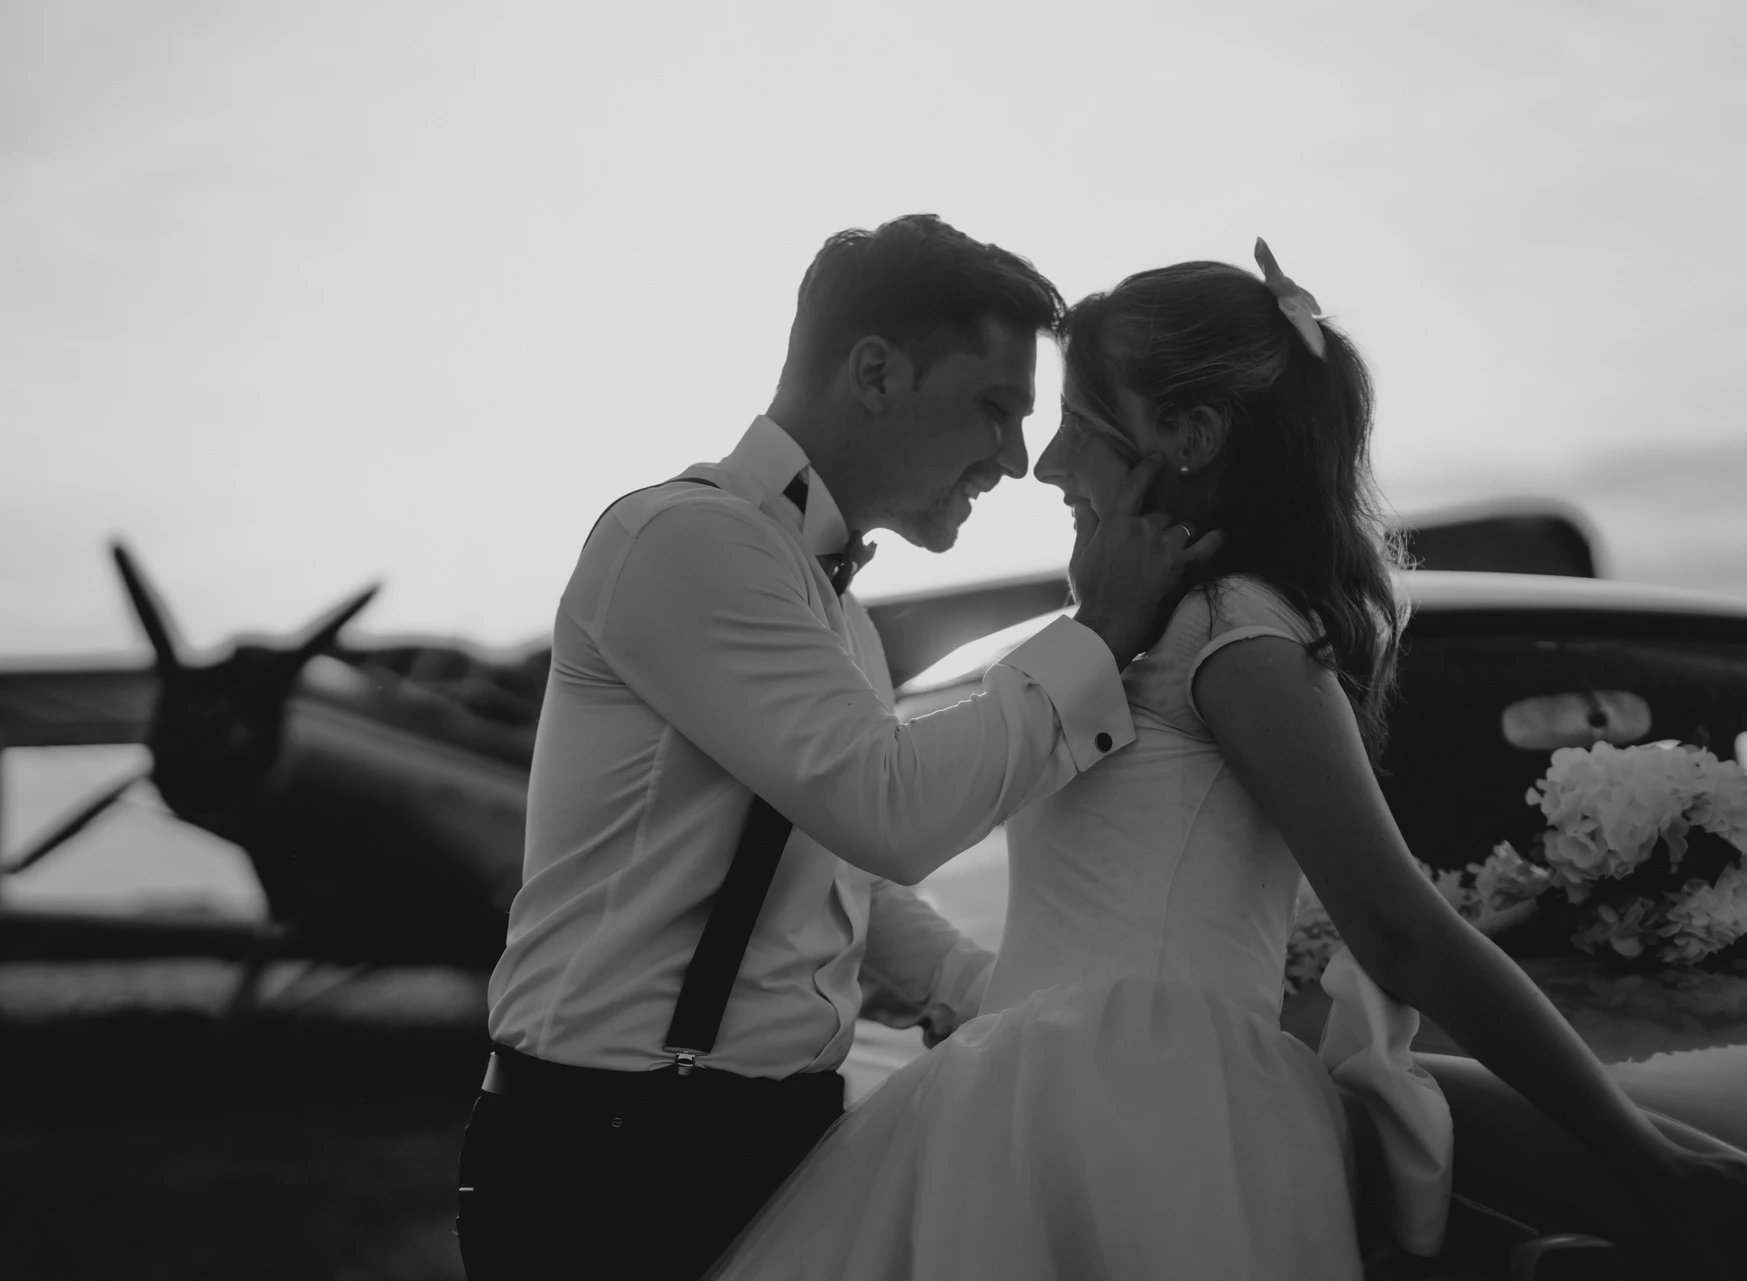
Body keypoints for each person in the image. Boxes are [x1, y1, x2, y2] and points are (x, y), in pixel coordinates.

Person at [703, 244, 1747, 1280]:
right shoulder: (1137, 639)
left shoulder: (1234, 633)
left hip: (1130, 1105)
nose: (1048, 466)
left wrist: (1663, 1170)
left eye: (1078, 426)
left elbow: (1395, 928)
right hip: (1081, 1093)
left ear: (1189, 435)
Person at [454, 214, 1220, 1281]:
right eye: (994, 408)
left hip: (770, 1143)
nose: (1012, 458)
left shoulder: (835, 608)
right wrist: (1097, 638)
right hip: (612, 1161)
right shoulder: (686, 541)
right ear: (873, 371)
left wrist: (981, 998)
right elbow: (888, 809)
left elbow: (829, 869)